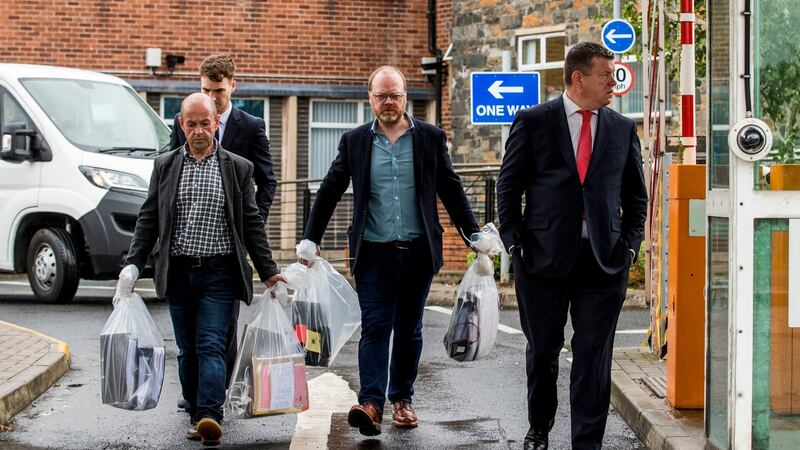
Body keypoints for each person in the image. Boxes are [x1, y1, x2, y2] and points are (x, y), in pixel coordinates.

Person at [300, 66, 479, 436]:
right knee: (376, 327)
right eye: (381, 96)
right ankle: (370, 403)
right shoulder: (355, 142)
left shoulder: (430, 137)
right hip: (373, 254)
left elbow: (450, 187)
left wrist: (473, 234)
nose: (388, 102)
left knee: (409, 329)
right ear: (370, 98)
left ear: (405, 97)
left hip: (418, 252)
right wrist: (310, 238)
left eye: (394, 95)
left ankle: (402, 400)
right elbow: (330, 189)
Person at [496, 42, 648, 450]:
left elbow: (636, 198)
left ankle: (587, 442)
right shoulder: (533, 121)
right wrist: (514, 245)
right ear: (578, 78)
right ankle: (539, 428)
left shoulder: (621, 128)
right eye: (606, 76)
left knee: (593, 356)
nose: (613, 84)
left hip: (604, 262)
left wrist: (630, 247)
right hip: (541, 260)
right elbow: (508, 188)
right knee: (543, 351)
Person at [123, 93, 284, 447]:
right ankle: (196, 410)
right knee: (187, 349)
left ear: (216, 124)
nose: (198, 131)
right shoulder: (164, 166)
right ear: (181, 125)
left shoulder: (238, 167)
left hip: (219, 272)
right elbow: (149, 218)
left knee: (211, 344)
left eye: (205, 123)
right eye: (191, 124)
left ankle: (210, 414)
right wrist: (133, 265)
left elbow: (251, 223)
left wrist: (269, 271)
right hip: (178, 271)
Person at [169, 54, 277, 399]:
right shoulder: (183, 121)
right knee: (195, 338)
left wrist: (250, 227)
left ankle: (215, 396)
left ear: (232, 86)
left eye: (217, 90)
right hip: (188, 245)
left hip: (230, 245)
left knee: (221, 331)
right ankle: (200, 398)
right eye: (205, 89)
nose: (212, 97)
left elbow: (267, 182)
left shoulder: (252, 126)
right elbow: (170, 174)